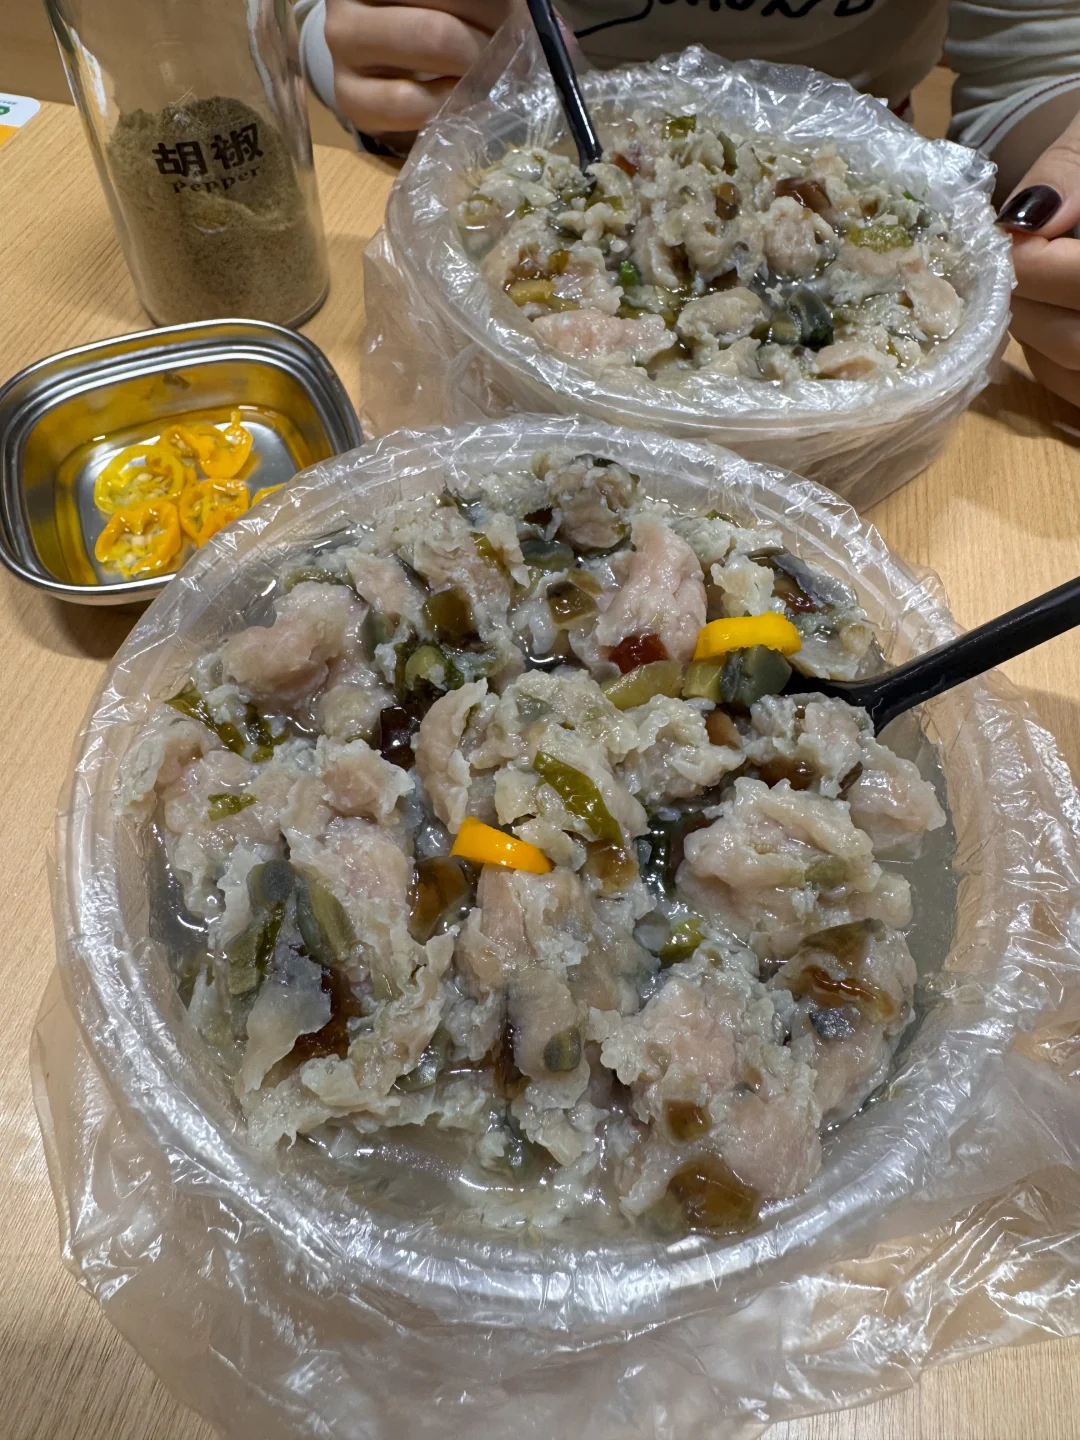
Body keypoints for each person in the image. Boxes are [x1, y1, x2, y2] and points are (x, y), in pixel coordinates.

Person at [294, 0, 1080, 408]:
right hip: (486, 150)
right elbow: (311, 21)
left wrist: (1064, 202)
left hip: (865, 163)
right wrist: (368, 51)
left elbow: (1039, 64)